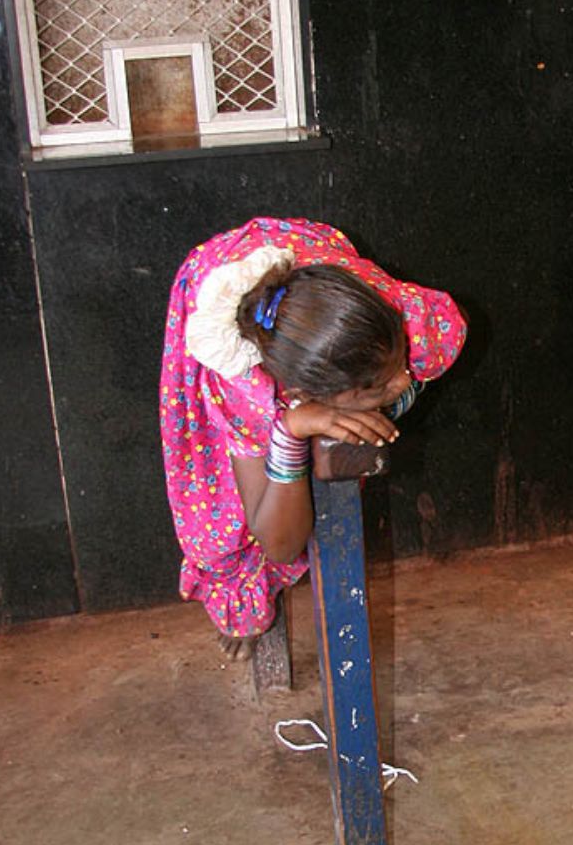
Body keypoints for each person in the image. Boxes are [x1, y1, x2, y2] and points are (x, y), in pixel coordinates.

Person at [160, 217, 465, 644]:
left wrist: (381, 405)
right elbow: (279, 544)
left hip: (303, 265)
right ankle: (245, 599)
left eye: (400, 361)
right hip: (214, 283)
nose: (403, 379)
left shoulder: (390, 311)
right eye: (377, 387)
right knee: (226, 517)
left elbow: (434, 350)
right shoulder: (244, 391)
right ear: (302, 393)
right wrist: (289, 431)